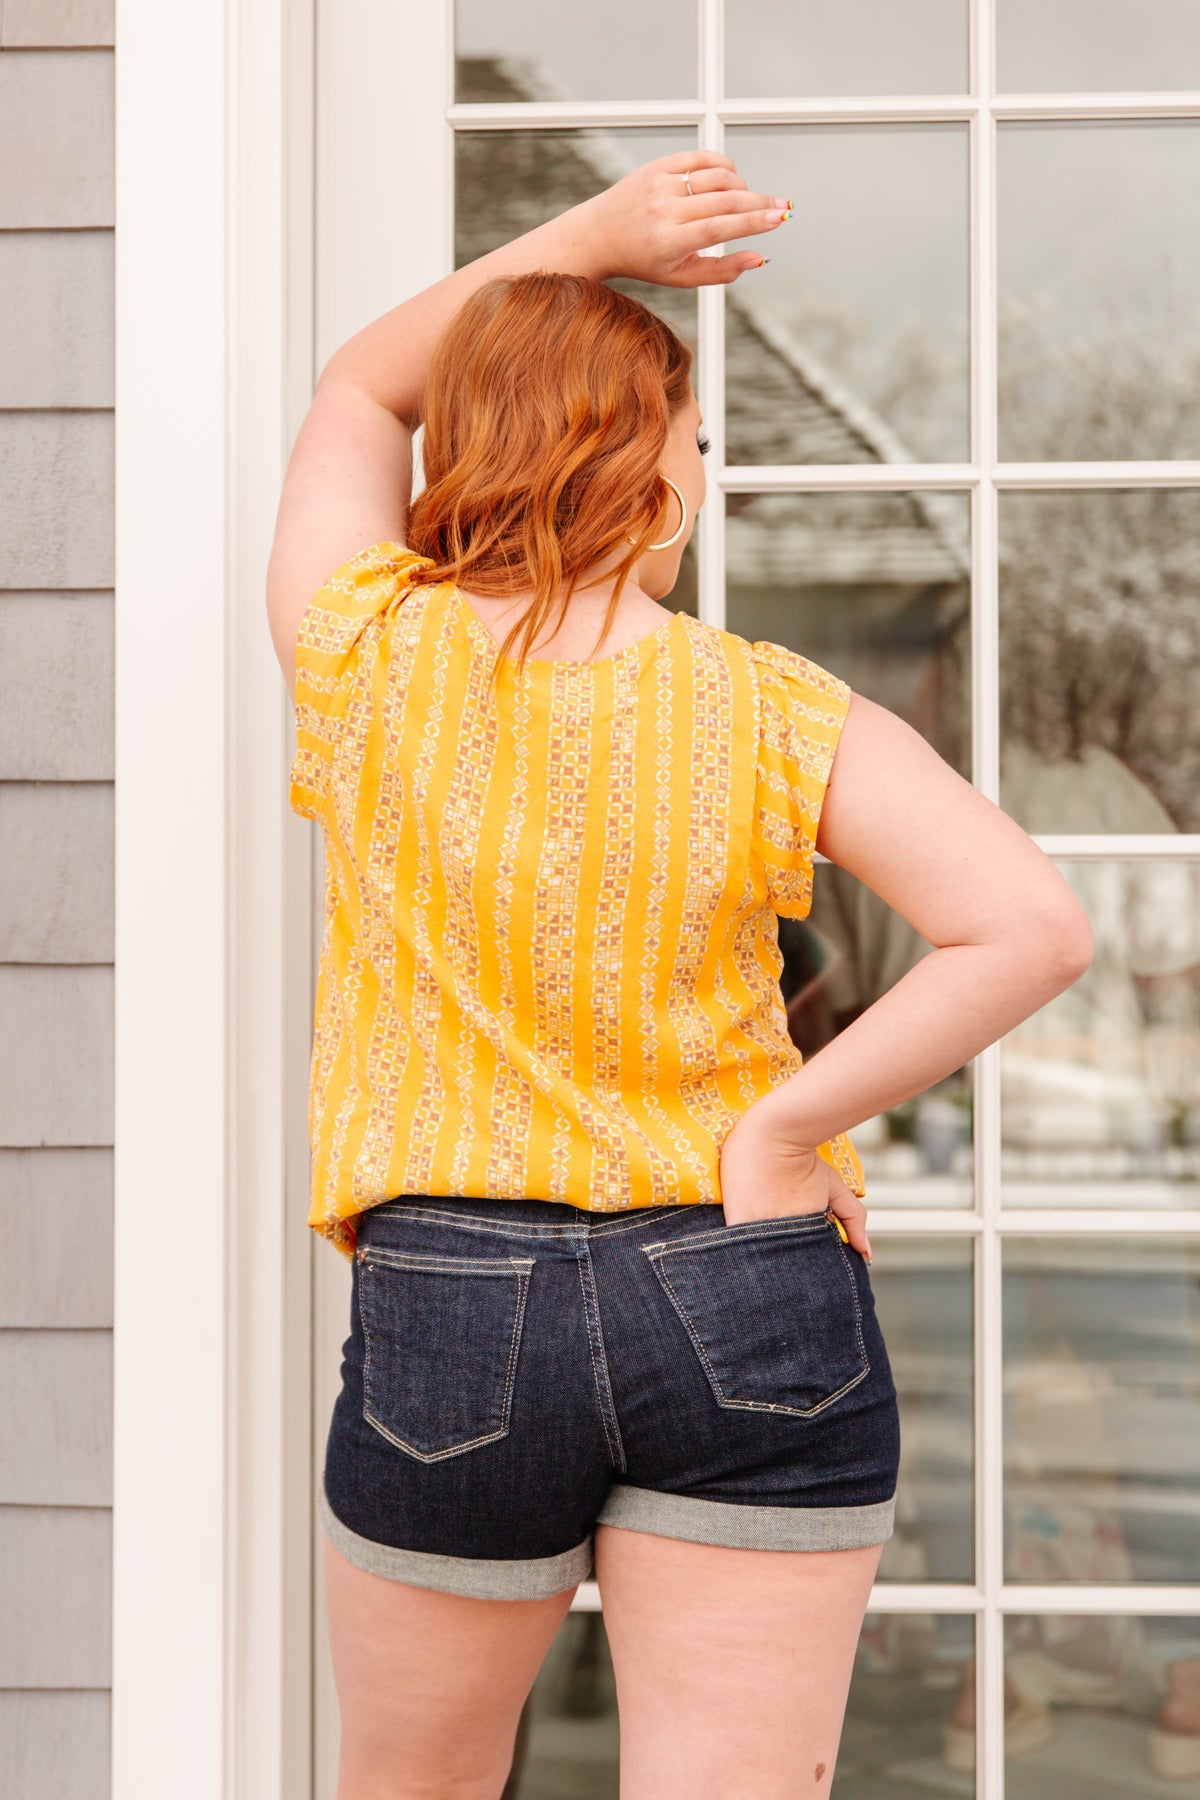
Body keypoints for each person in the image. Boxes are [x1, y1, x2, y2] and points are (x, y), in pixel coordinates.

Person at [266, 152, 1094, 1800]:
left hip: (453, 1298)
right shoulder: (770, 709)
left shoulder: (363, 654)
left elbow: (365, 376)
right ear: (647, 474)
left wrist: (597, 242)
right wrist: (784, 1137)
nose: (706, 479)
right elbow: (1032, 925)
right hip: (743, 1278)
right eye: (699, 444)